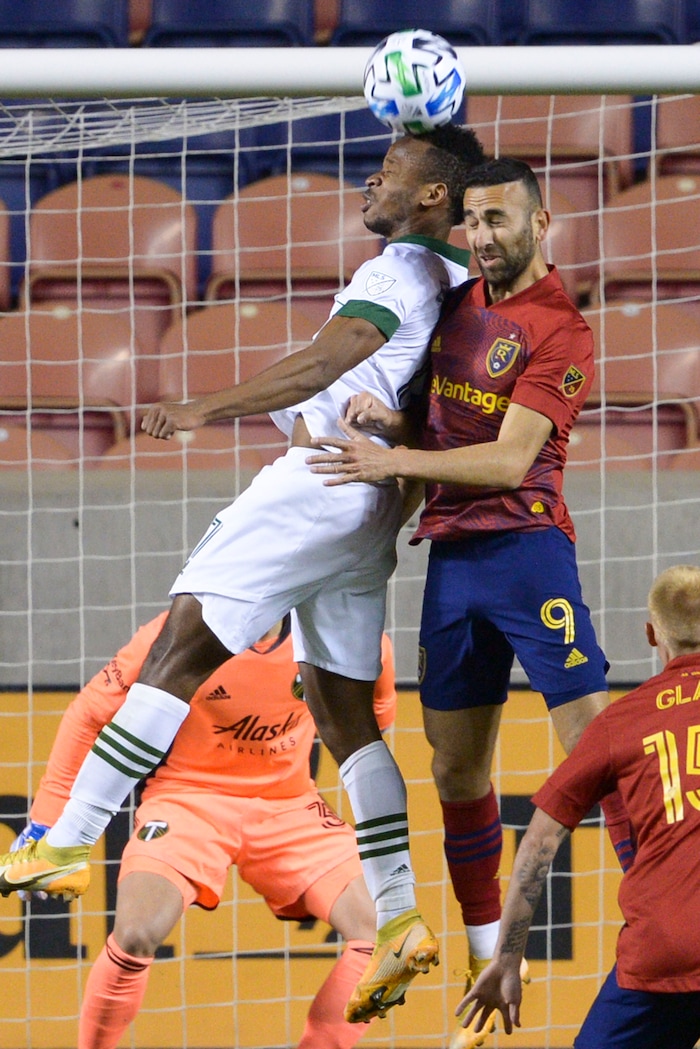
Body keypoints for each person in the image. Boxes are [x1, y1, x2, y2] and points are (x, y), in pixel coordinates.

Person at [0, 125, 487, 1025]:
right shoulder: (466, 287)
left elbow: (324, 361)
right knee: (346, 721)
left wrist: (203, 407)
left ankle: (67, 841)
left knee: (178, 648)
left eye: (395, 170)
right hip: (376, 499)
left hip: (313, 482)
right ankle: (398, 913)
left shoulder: (393, 272)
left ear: (432, 197)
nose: (372, 179)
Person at [304, 156, 633, 1048]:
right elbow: (448, 427)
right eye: (474, 222)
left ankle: (662, 921)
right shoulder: (456, 302)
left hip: (529, 557)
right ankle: (494, 962)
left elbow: (507, 459)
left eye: (500, 222)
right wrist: (392, 425)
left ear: (542, 223)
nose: (483, 238)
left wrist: (394, 461)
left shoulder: (561, 329)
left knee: (597, 765)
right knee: (455, 773)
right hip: (453, 561)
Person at [12, 612, 396, 1049]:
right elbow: (88, 715)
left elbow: (375, 725)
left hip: (289, 805)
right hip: (187, 799)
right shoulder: (177, 630)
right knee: (136, 934)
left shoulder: (352, 634)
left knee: (385, 935)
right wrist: (44, 823)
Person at [460, 563, 700, 1049]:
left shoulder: (621, 722)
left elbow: (539, 843)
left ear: (652, 635)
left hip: (665, 950)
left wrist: (506, 959)